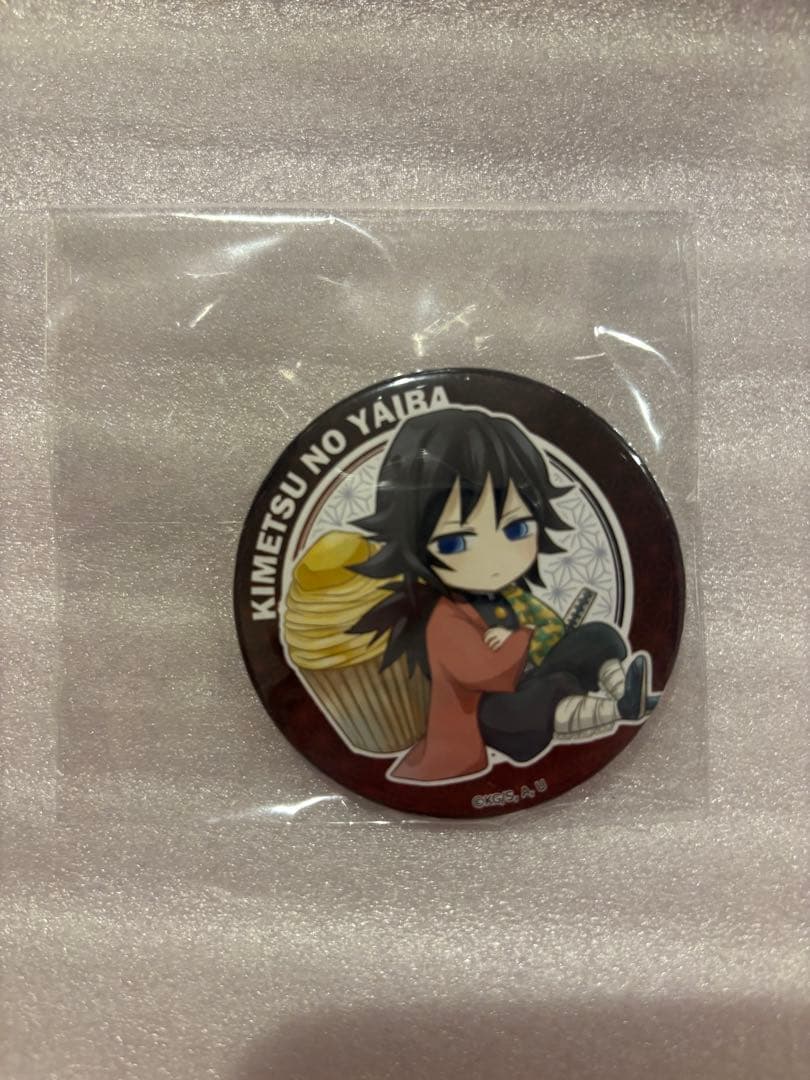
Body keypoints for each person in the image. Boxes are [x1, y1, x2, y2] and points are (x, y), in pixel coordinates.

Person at [351, 406, 655, 783]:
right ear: (413, 544)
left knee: (597, 638)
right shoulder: (441, 615)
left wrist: (536, 640)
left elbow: (543, 638)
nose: (494, 560)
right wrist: (520, 638)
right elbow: (485, 674)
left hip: (528, 673)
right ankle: (617, 712)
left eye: (515, 530)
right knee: (531, 702)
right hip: (489, 707)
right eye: (455, 542)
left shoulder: (506, 595)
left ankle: (626, 691)